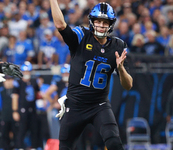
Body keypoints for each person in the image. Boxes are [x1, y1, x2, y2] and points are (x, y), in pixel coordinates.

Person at [49, 1, 133, 150]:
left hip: (98, 105)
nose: (101, 25)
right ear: (92, 22)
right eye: (98, 21)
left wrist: (120, 69)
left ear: (111, 24)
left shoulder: (118, 46)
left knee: (114, 142)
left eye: (105, 22)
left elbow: (128, 85)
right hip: (75, 104)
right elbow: (61, 25)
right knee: (65, 147)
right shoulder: (82, 36)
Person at [12, 61, 40, 149]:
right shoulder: (18, 82)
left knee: (34, 130)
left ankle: (34, 147)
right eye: (25, 72)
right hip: (22, 109)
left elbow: (37, 94)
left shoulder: (34, 81)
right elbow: (15, 98)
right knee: (22, 130)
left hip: (33, 109)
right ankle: (19, 147)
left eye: (28, 71)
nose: (27, 73)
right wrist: (15, 111)